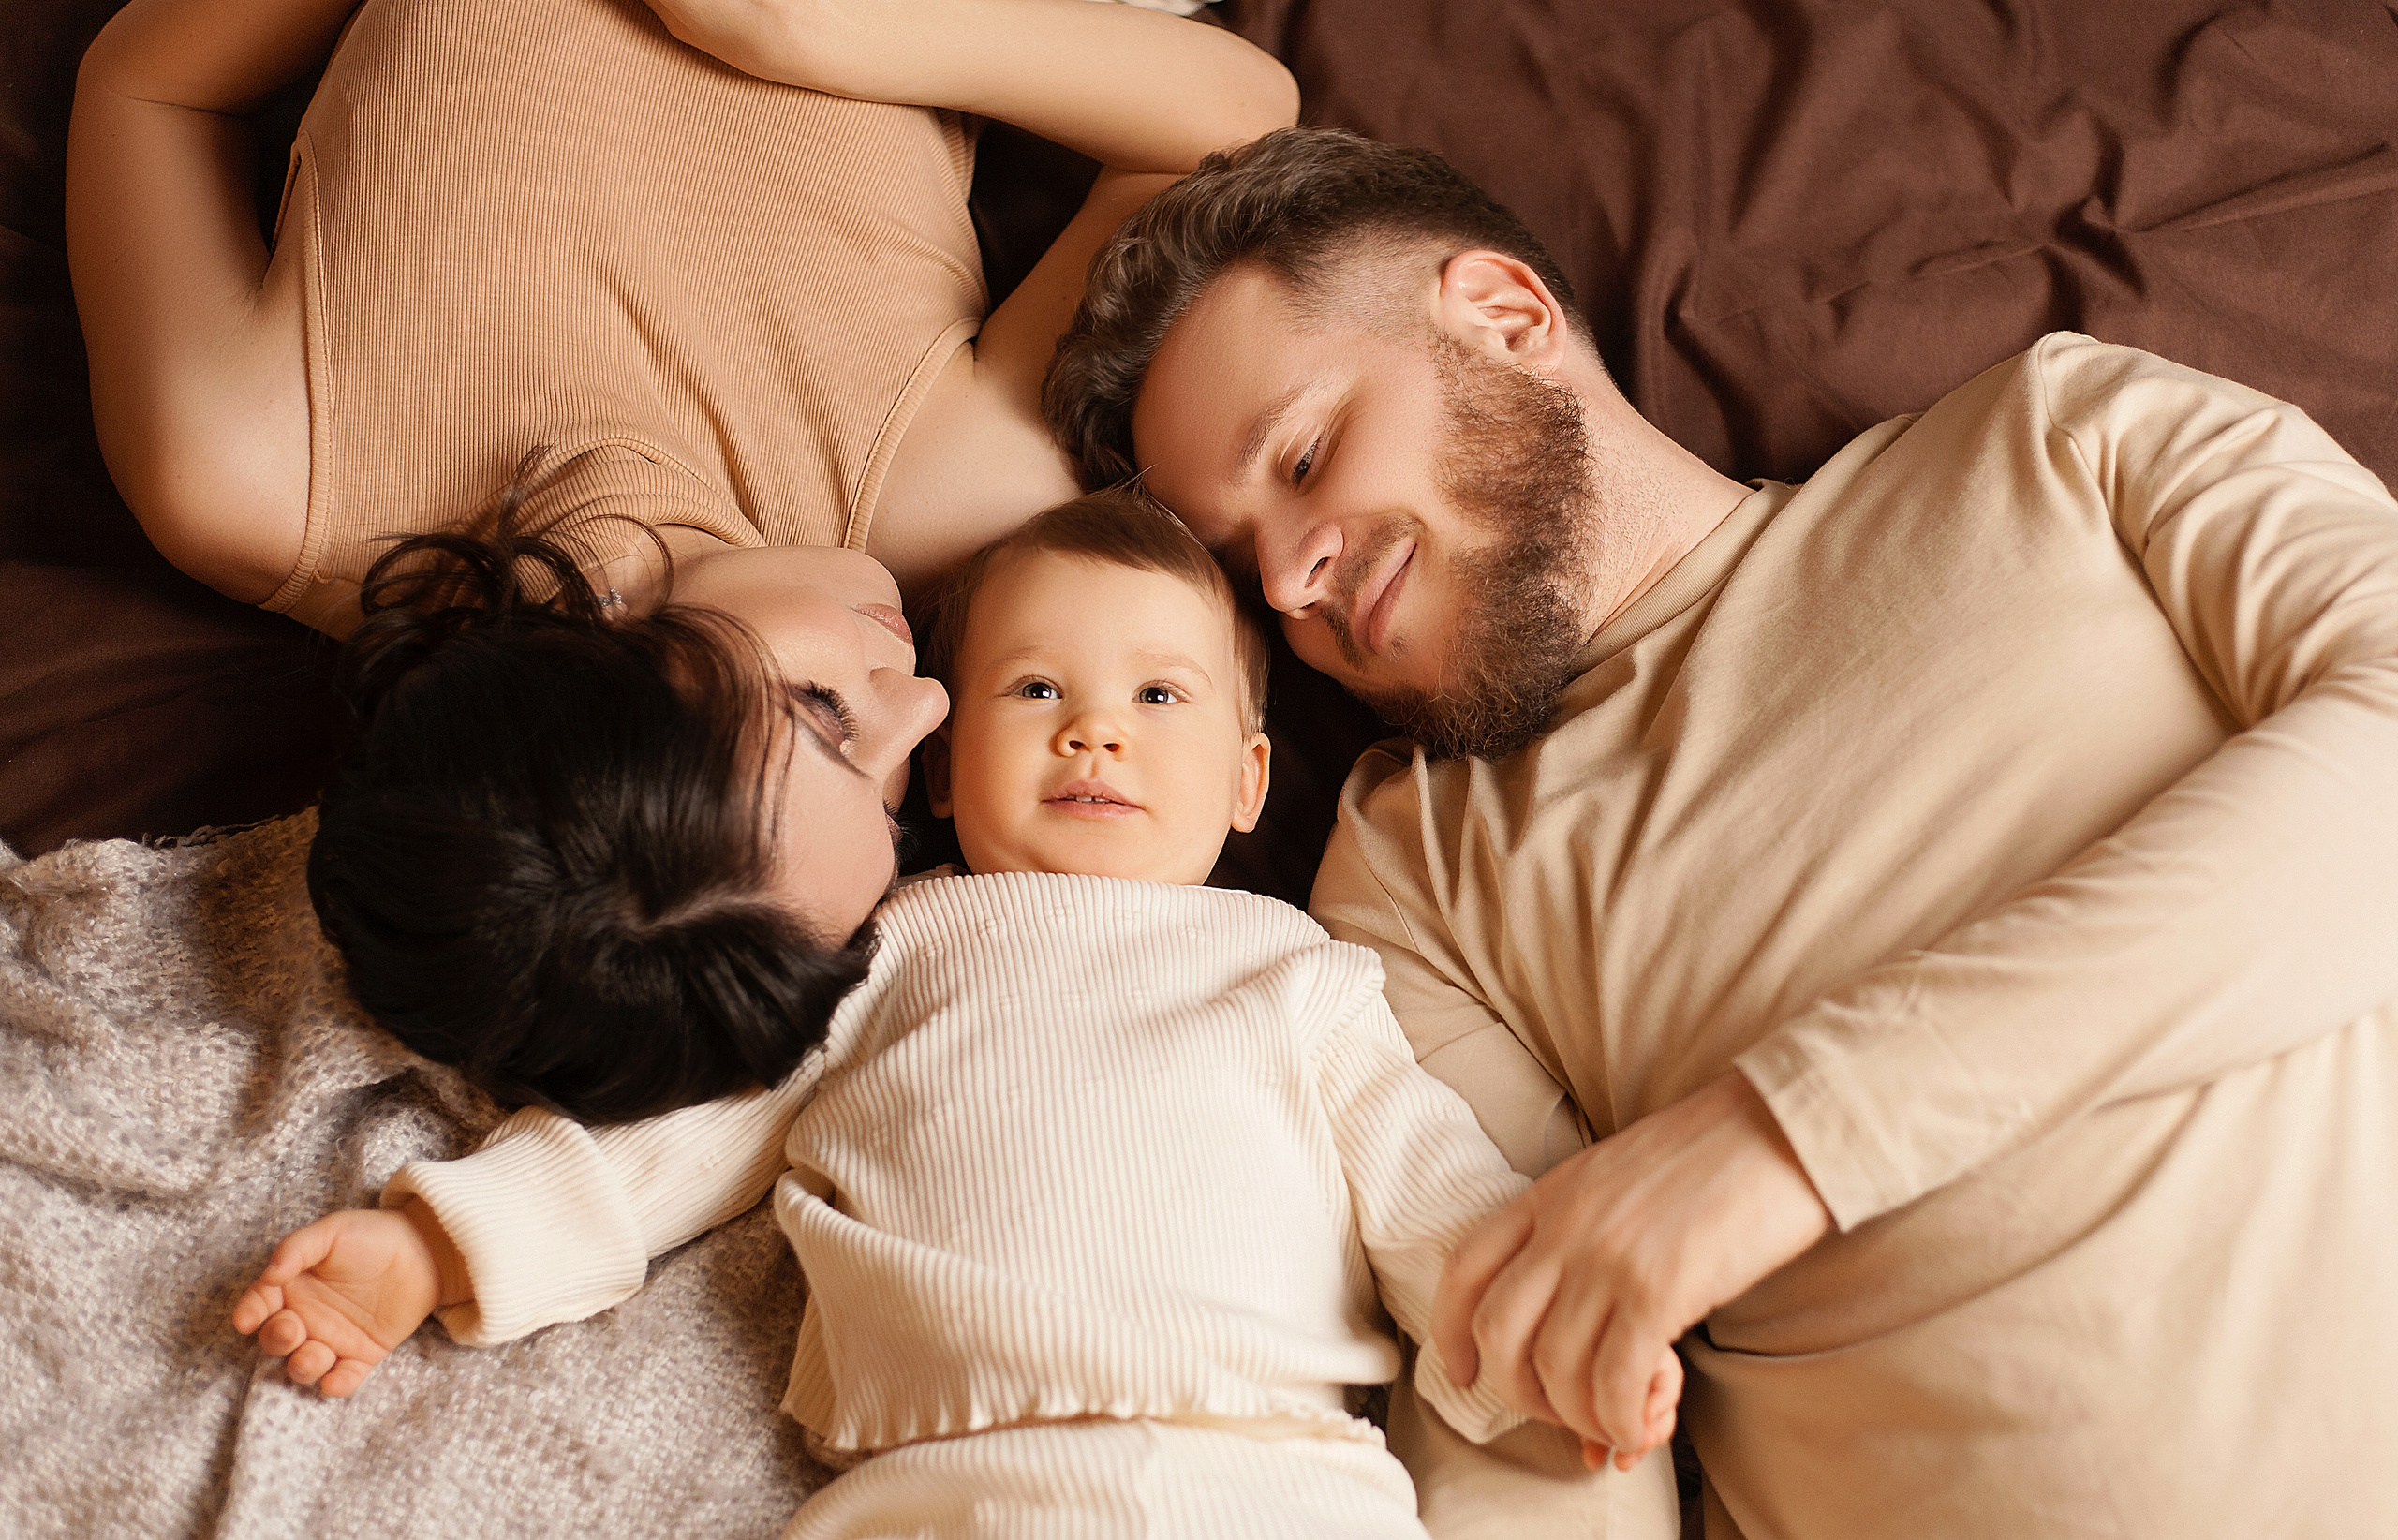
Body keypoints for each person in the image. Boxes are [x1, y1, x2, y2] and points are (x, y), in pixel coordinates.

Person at [1043, 126, 2398, 1536]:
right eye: (1248, 573)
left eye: (1308, 456)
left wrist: (1783, 1138)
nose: (1290, 574)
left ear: (1506, 319)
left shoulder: (2059, 439)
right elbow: (1523, 1388)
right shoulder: (1411, 872)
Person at [231, 493, 1680, 1536]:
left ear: (1248, 784)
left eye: (1159, 694)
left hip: (1275, 1480)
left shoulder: (1295, 973)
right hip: (941, 1490)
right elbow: (667, 1143)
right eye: (1035, 686)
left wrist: (1568, 1330)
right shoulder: (883, 954)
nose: (1093, 729)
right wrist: (437, 1243)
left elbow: (1434, 1192)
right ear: (937, 765)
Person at [66, 0, 1294, 1115]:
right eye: (888, 788)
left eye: (823, 715)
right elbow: (1229, 127)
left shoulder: (258, 469)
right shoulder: (948, 499)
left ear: (591, 676)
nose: (921, 693)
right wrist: (794, 32)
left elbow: (148, 87)